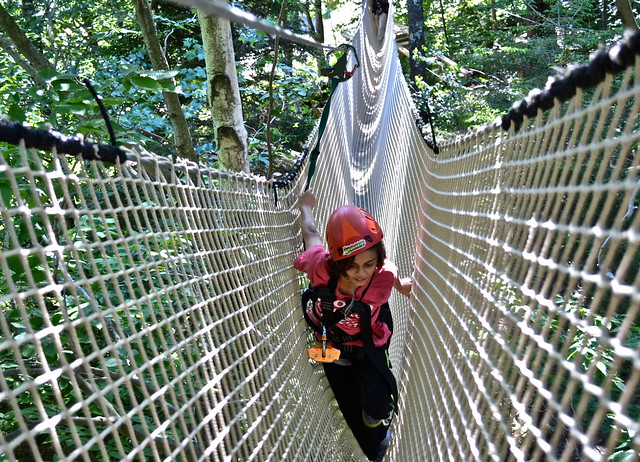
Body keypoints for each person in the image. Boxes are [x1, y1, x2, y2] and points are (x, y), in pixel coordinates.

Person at [294, 189, 412, 461]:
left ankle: (380, 433)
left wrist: (402, 285)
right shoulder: (321, 267)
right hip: (333, 344)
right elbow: (311, 235)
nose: (361, 273)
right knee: (348, 408)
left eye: (369, 264)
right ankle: (371, 449)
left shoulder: (382, 275)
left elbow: (389, 272)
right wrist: (306, 208)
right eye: (352, 266)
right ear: (337, 262)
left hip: (370, 343)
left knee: (377, 406)